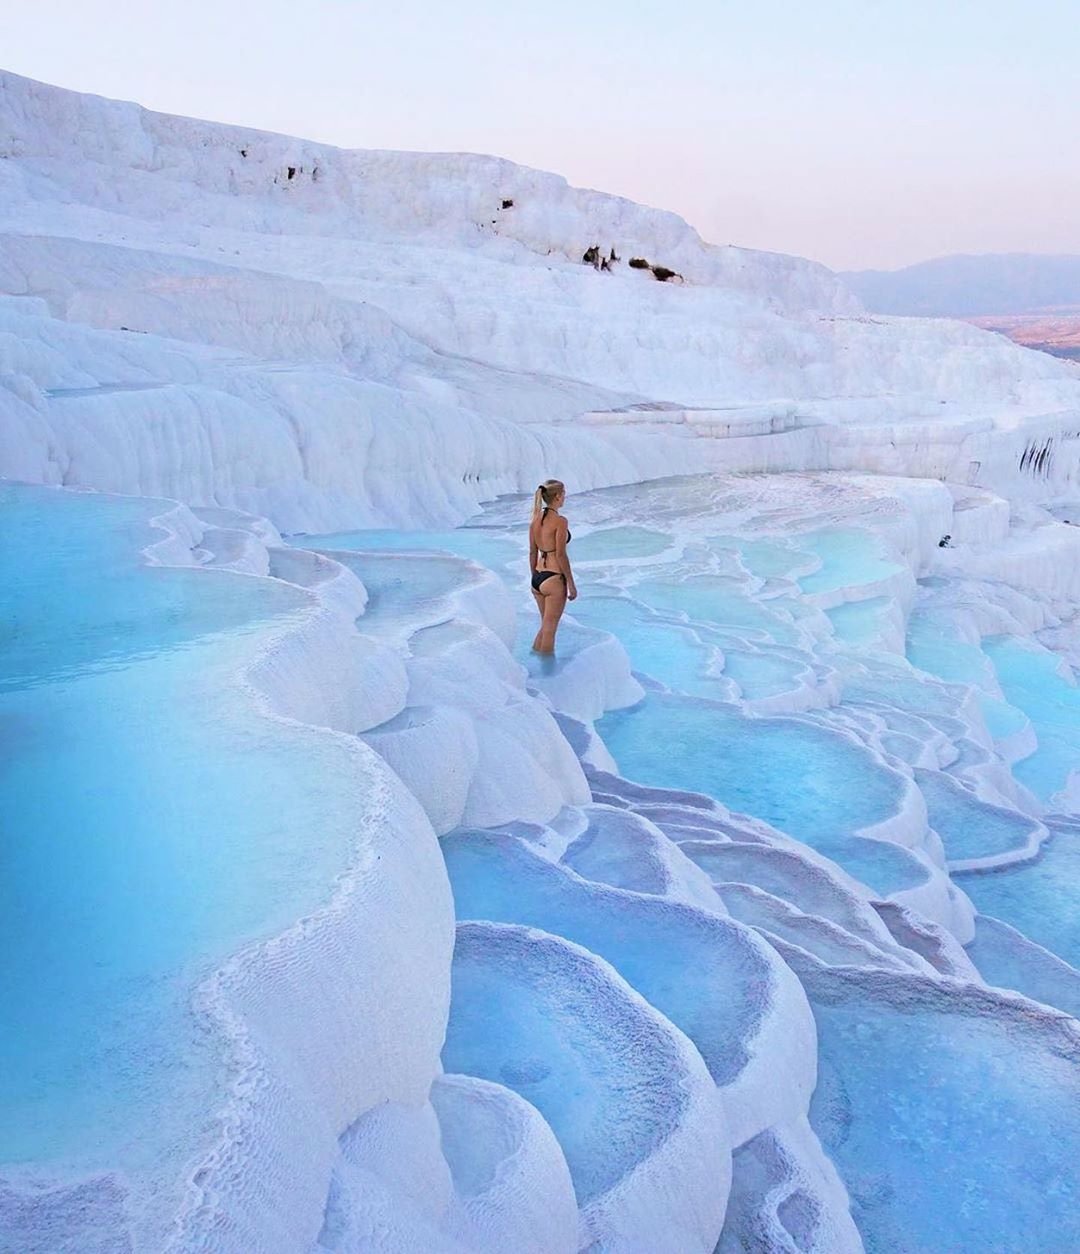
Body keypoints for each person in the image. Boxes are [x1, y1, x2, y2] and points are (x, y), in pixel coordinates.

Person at [529, 479, 576, 653]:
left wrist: (534, 577)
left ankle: (534, 663)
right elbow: (561, 554)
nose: (565, 497)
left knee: (545, 627)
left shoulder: (535, 520)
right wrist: (571, 583)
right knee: (550, 630)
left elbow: (533, 553)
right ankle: (547, 675)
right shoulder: (560, 521)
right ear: (557, 496)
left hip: (538, 578)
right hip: (554, 579)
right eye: (564, 494)